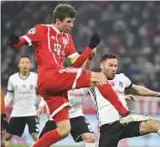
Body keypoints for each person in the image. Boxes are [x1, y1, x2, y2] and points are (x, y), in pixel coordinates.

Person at [7, 3, 142, 147]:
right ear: (58, 21)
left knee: (64, 129)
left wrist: (89, 48)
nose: (71, 25)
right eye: (68, 22)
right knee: (99, 78)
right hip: (49, 76)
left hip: (54, 86)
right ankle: (125, 114)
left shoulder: (67, 38)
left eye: (73, 22)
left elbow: (76, 64)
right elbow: (20, 42)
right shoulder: (42, 30)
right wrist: (14, 41)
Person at [88, 54, 160, 147]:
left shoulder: (121, 78)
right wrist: (88, 57)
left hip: (125, 120)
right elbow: (83, 71)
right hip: (109, 126)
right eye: (110, 65)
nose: (114, 69)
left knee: (155, 124)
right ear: (101, 65)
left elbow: (137, 89)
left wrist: (158, 94)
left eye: (115, 66)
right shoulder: (94, 79)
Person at [38, 51, 96, 147]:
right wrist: (42, 106)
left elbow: (86, 71)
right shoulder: (64, 78)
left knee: (90, 138)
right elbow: (48, 91)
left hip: (76, 115)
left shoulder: (85, 81)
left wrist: (89, 59)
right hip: (59, 115)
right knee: (41, 141)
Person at [4, 56, 45, 146]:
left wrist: (41, 105)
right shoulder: (12, 78)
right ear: (19, 65)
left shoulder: (36, 77)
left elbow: (44, 93)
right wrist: (2, 107)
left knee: (36, 136)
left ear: (30, 65)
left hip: (32, 112)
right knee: (6, 137)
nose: (25, 64)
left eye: (27, 62)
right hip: (17, 112)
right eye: (22, 62)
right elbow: (9, 95)